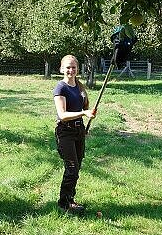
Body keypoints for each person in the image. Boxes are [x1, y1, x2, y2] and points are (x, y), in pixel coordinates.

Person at [53, 55, 96, 214]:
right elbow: (62, 115)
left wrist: (86, 118)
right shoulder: (60, 88)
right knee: (71, 169)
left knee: (76, 169)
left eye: (73, 67)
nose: (71, 70)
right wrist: (84, 113)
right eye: (68, 67)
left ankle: (70, 199)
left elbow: (83, 107)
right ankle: (64, 204)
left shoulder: (79, 86)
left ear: (77, 69)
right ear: (61, 69)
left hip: (78, 131)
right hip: (65, 132)